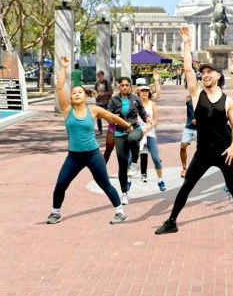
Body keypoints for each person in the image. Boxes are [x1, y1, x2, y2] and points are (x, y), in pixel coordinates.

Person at [156, 25, 233, 235]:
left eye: (209, 72)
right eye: (203, 72)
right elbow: (188, 69)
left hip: (225, 152)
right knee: (187, 186)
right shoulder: (197, 94)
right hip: (203, 152)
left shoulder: (227, 102)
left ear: (218, 76)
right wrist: (187, 44)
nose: (205, 75)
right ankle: (172, 221)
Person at [49, 58, 129, 225]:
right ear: (71, 97)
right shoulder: (66, 109)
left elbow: (112, 117)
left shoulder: (93, 110)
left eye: (80, 92)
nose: (76, 94)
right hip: (74, 156)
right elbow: (59, 87)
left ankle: (120, 212)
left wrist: (127, 125)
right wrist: (64, 67)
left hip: (92, 155)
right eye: (74, 93)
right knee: (61, 184)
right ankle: (55, 213)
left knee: (104, 184)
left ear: (85, 96)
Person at [105, 76, 146, 204]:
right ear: (119, 87)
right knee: (122, 166)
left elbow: (142, 112)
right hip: (119, 133)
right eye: (122, 85)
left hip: (135, 129)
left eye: (127, 85)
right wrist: (113, 117)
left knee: (133, 138)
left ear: (130, 86)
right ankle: (124, 193)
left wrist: (148, 120)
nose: (124, 87)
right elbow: (108, 114)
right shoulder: (113, 100)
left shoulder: (135, 99)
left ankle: (134, 162)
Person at [137, 76, 167, 192]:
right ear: (138, 92)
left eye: (146, 91)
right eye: (142, 91)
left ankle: (160, 180)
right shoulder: (134, 103)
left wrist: (156, 80)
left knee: (155, 157)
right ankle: (128, 183)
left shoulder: (152, 103)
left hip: (150, 133)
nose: (144, 93)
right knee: (133, 158)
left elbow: (156, 120)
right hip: (138, 133)